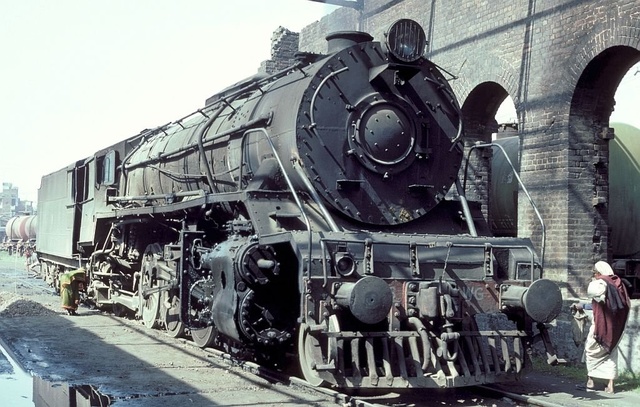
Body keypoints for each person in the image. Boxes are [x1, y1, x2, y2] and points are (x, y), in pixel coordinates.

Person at [574, 260, 630, 394]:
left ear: (599, 272)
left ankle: (590, 382)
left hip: (601, 325)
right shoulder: (618, 283)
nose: (595, 274)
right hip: (615, 328)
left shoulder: (600, 283)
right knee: (610, 353)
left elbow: (597, 305)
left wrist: (582, 306)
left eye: (595, 272)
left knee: (590, 350)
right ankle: (610, 386)